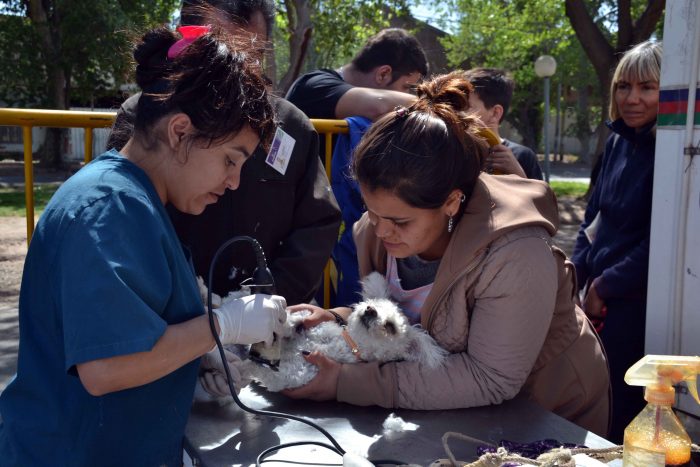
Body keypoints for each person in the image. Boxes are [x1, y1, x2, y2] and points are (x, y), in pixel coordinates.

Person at [0, 26, 287, 466]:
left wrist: (201, 353)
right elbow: (107, 368)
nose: (233, 182)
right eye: (231, 159)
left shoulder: (133, 198)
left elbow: (142, 327)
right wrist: (221, 326)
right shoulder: (109, 207)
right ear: (179, 130)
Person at [277, 72, 611, 437]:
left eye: (399, 221)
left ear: (451, 202)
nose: (381, 230)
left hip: (547, 410)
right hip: (456, 414)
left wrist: (346, 382)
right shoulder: (374, 230)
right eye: (372, 212)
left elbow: (490, 377)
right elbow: (398, 320)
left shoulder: (516, 251)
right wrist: (335, 318)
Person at [107, 0, 341, 306]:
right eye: (223, 52)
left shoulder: (290, 127)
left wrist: (269, 300)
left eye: (251, 57)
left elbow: (317, 224)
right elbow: (123, 219)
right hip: (168, 314)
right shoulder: (147, 115)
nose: (238, 70)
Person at [571, 40, 661, 443]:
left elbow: (659, 242)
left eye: (647, 87)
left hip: (639, 305)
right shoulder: (617, 141)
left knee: (624, 410)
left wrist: (605, 286)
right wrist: (574, 276)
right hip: (597, 297)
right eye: (624, 87)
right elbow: (594, 219)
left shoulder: (672, 150)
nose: (632, 98)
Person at [285, 28, 428, 120]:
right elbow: (378, 106)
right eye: (406, 87)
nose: (408, 93)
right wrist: (432, 106)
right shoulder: (314, 85)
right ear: (383, 74)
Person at [463, 67, 543, 180]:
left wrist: (517, 173)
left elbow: (540, 197)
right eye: (456, 106)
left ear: (495, 113)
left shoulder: (522, 157)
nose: (458, 113)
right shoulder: (453, 152)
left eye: (467, 107)